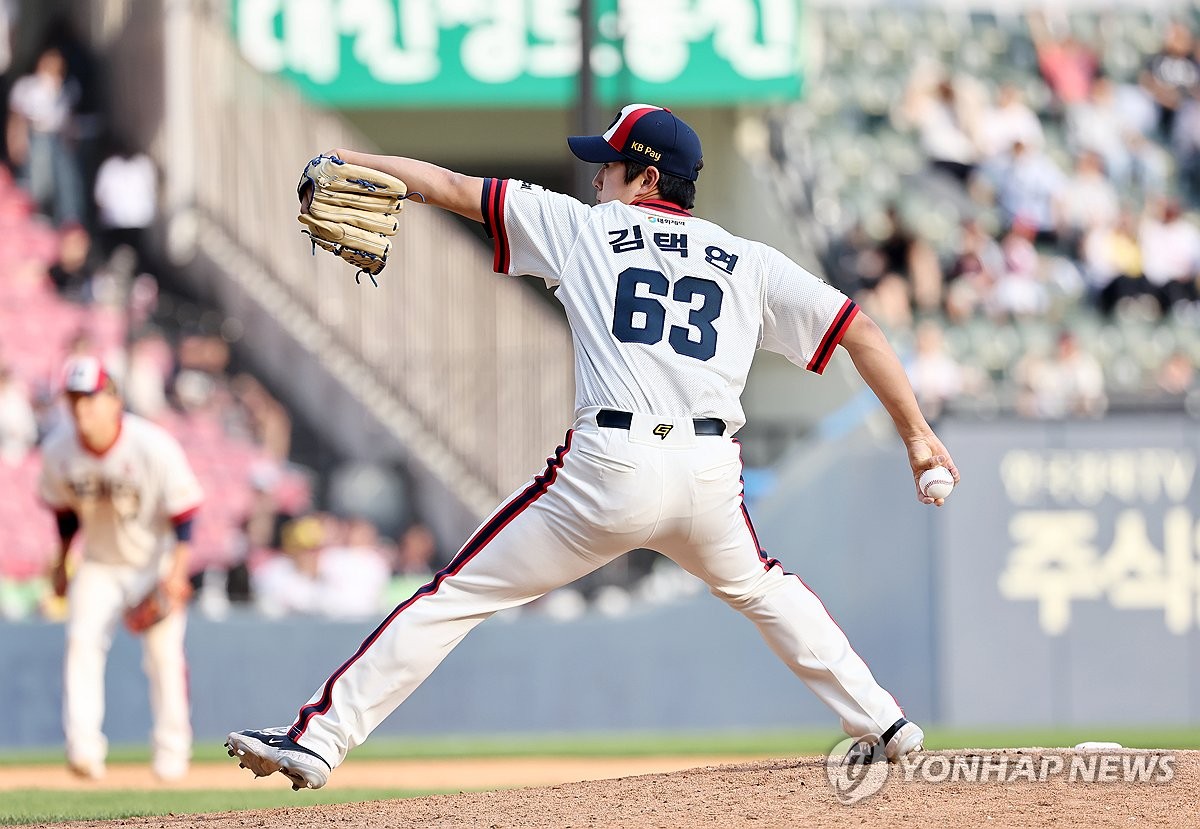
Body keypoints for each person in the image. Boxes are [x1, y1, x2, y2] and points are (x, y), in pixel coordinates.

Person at [226, 104, 960, 790]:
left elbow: (449, 186)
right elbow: (860, 329)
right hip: (708, 474)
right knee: (766, 589)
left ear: (646, 178)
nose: (596, 176)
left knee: (455, 595)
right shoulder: (750, 261)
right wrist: (918, 436)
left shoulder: (583, 228)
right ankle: (885, 719)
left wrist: (342, 156)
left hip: (611, 466)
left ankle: (320, 739)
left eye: (608, 165)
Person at [38, 356, 203, 781]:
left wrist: (177, 572)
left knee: (164, 657)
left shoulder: (152, 444)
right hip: (100, 563)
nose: (80, 410)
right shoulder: (59, 449)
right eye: (74, 400)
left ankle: (172, 752)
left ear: (113, 399)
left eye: (89, 399)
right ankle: (84, 749)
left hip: (154, 561)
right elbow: (65, 514)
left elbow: (184, 513)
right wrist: (61, 562)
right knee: (81, 643)